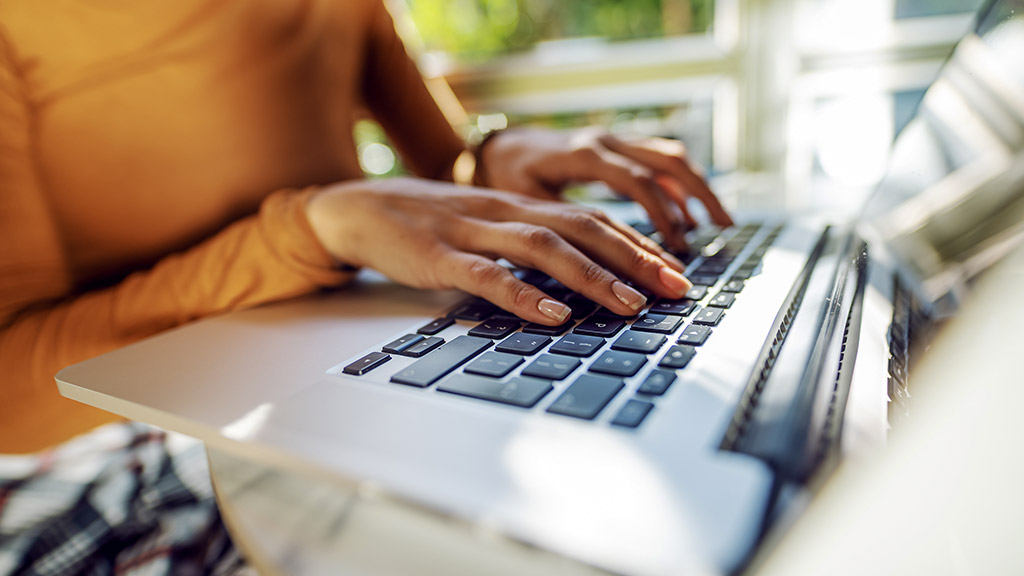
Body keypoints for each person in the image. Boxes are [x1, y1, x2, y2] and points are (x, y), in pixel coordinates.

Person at [0, 0, 731, 571]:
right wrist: (303, 230)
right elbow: (10, 403)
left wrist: (501, 155)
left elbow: (448, 167)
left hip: (360, 360)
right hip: (130, 431)